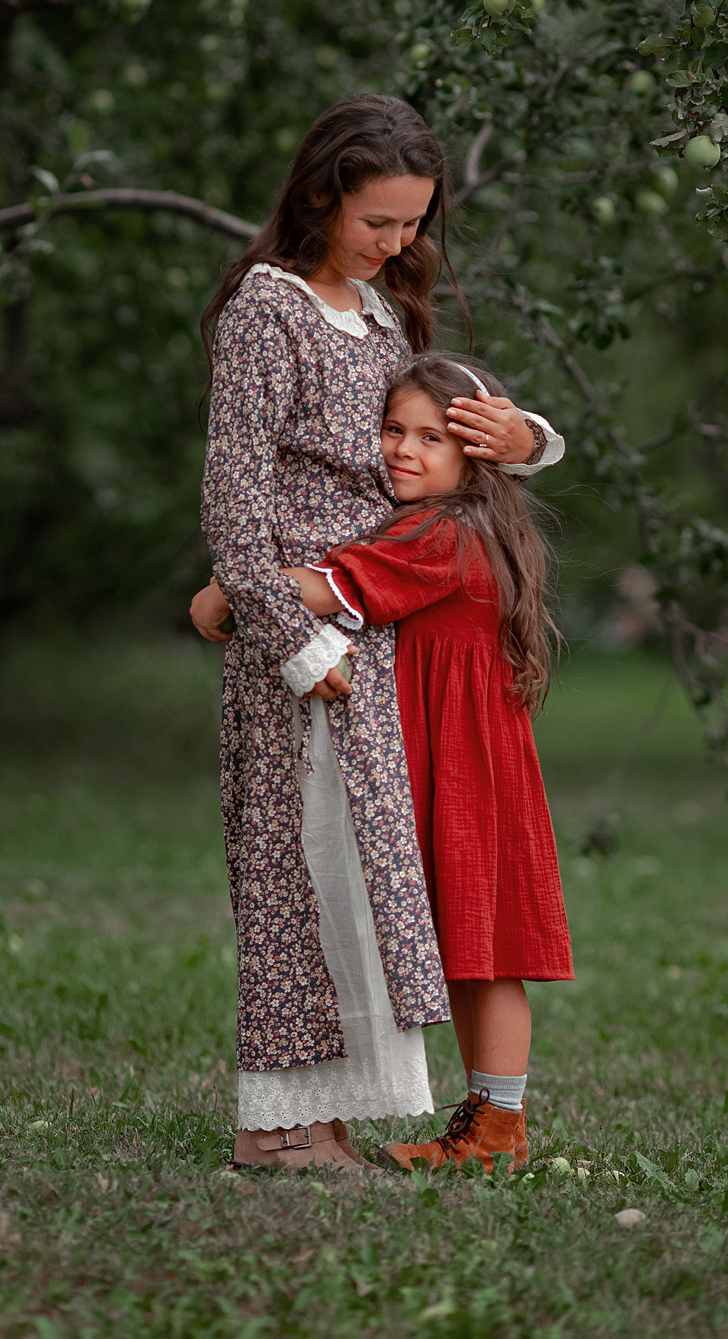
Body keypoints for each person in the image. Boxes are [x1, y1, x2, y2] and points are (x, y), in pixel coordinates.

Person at [190, 94, 564, 1171]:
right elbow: (233, 502)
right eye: (378, 222)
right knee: (294, 872)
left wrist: (527, 437)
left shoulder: (382, 313)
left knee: (353, 884)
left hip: (371, 628)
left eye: (413, 224)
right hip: (306, 645)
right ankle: (282, 1130)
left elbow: (447, 438)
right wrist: (285, 636)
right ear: (318, 194)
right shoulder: (270, 311)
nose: (400, 244)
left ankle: (328, 1116)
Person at [283, 351, 574, 1177]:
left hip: (458, 763)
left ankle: (493, 1132)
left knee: (484, 952)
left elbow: (336, 585)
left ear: (472, 454)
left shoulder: (438, 531)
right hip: (484, 760)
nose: (403, 451)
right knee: (484, 952)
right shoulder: (479, 523)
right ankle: (496, 1129)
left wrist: (232, 587)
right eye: (392, 430)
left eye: (431, 438)